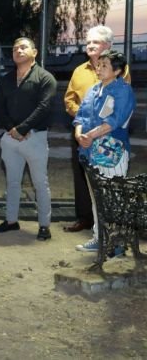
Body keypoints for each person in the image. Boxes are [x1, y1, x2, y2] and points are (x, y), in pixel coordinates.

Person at [63, 26, 131, 233]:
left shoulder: (121, 75)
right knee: (87, 184)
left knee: (110, 190)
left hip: (109, 142)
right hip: (84, 138)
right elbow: (73, 103)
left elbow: (118, 113)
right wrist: (81, 129)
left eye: (96, 42)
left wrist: (93, 131)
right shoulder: (82, 74)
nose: (90, 45)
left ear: (108, 46)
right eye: (88, 42)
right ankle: (89, 224)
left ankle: (113, 236)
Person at [0, 37, 56, 241]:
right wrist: (12, 129)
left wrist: (23, 128)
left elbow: (44, 107)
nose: (18, 51)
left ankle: (44, 225)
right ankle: (11, 221)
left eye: (23, 47)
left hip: (36, 138)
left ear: (34, 52)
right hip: (10, 138)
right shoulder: (6, 79)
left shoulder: (45, 78)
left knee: (40, 183)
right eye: (14, 49)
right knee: (12, 182)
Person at [73, 50, 135, 253]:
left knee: (112, 197)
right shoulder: (94, 90)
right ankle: (99, 237)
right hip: (89, 150)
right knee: (96, 197)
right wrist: (79, 134)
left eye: (104, 65)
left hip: (111, 153)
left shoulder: (123, 90)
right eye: (98, 65)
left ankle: (116, 243)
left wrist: (90, 135)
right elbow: (81, 115)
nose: (98, 69)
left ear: (117, 71)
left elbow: (115, 120)